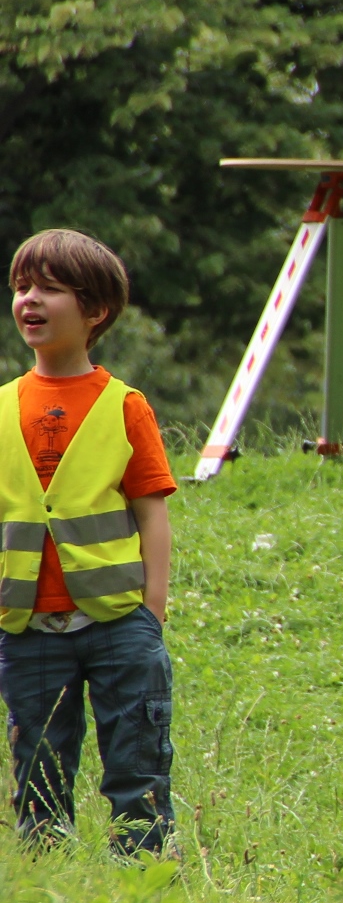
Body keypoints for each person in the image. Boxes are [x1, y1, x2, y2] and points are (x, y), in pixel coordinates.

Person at [1, 230, 178, 855]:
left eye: (49, 288)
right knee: (39, 768)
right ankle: (47, 869)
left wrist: (151, 612)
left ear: (95, 310)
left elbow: (151, 512)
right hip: (26, 627)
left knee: (138, 758)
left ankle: (145, 868)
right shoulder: (3, 408)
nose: (29, 299)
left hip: (118, 623)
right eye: (22, 286)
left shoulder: (125, 406)